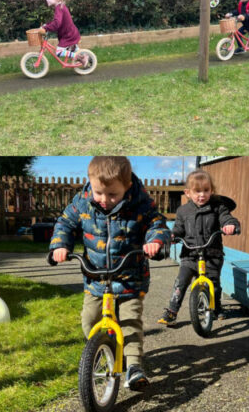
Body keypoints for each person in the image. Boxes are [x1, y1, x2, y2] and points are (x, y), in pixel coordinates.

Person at [48, 156, 170, 391]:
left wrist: (155, 241)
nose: (104, 200)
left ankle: (133, 366)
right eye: (99, 193)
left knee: (129, 321)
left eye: (113, 195)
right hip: (96, 277)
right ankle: (102, 348)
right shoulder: (82, 203)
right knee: (90, 319)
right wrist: (60, 246)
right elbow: (65, 224)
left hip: (129, 277)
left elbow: (157, 224)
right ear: (90, 184)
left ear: (127, 186)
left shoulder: (141, 204)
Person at [158, 170, 240, 325]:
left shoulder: (218, 207)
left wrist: (230, 224)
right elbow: (179, 228)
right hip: (190, 254)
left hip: (212, 254)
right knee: (181, 282)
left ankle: (216, 308)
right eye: (197, 191)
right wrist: (173, 236)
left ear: (212, 191)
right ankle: (172, 311)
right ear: (187, 193)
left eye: (206, 190)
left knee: (213, 283)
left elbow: (226, 217)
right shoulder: (183, 211)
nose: (202, 195)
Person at [39, 0, 88, 67]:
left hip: (68, 35)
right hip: (70, 32)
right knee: (73, 49)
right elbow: (57, 22)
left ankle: (81, 57)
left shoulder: (59, 8)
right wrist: (47, 25)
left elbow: (57, 24)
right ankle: (85, 57)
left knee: (59, 52)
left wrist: (45, 28)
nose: (47, 0)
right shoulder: (60, 7)